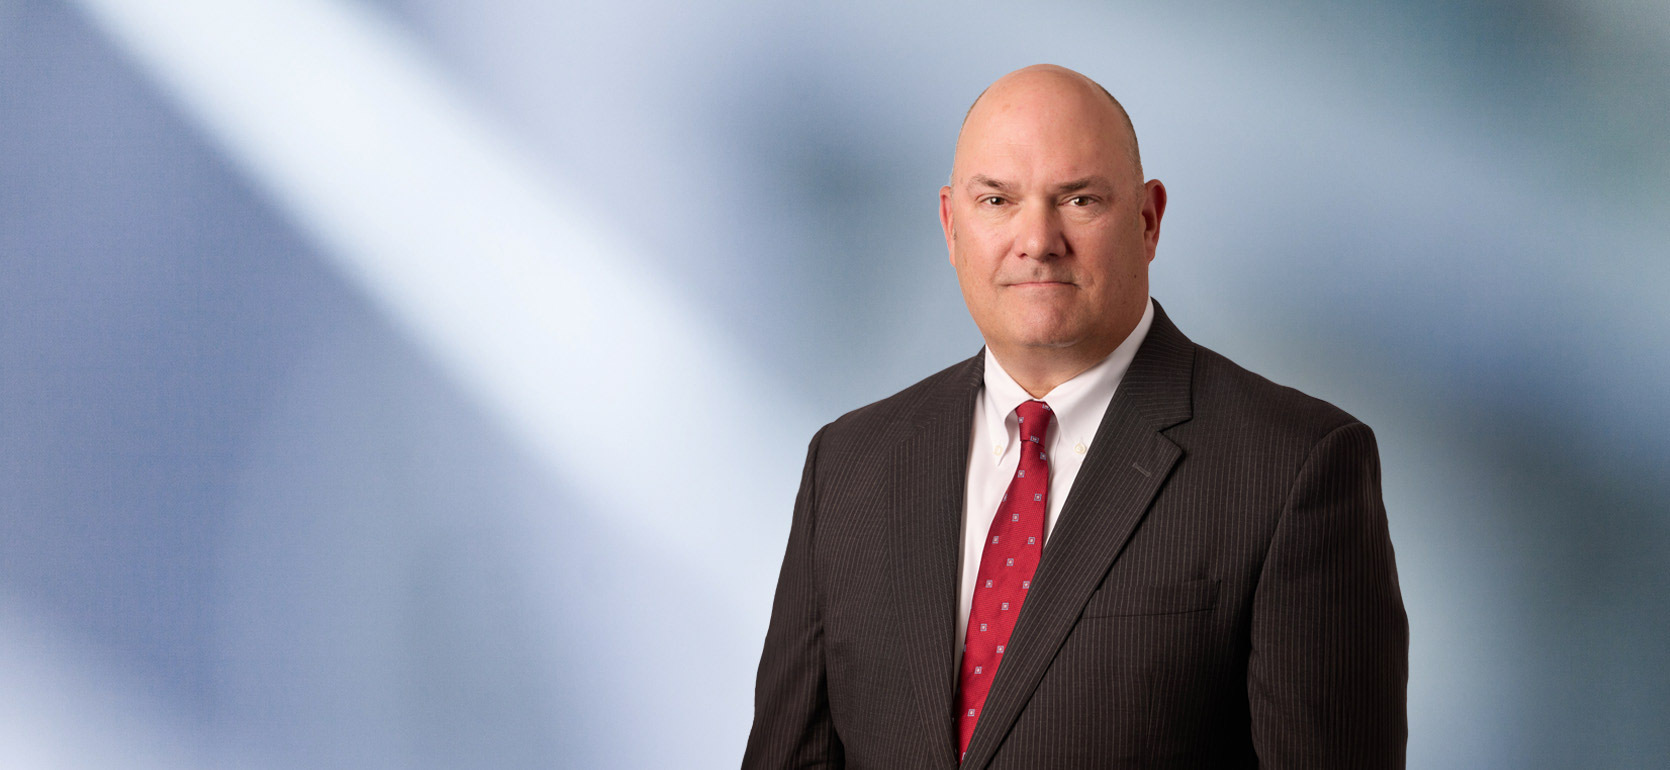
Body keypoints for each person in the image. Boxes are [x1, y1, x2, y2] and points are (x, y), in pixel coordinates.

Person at [743, 64, 1407, 769]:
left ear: (1148, 221)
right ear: (950, 224)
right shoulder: (848, 465)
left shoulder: (1295, 467)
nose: (1038, 240)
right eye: (997, 200)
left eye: (1079, 199)